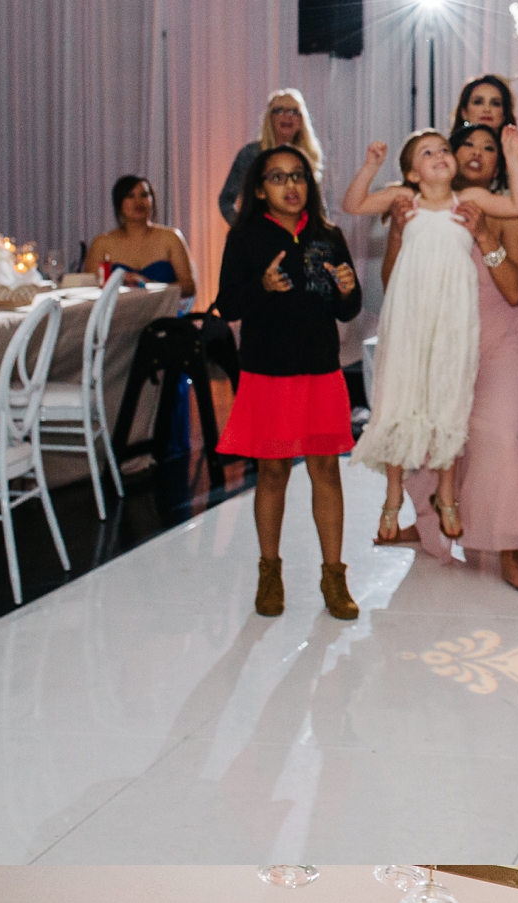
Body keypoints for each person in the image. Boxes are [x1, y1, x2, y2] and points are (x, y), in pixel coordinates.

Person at [343, 128, 518, 546]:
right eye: (428, 153)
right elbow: (352, 203)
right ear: (412, 172)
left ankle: (447, 494)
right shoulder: (401, 201)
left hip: (452, 318)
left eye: (444, 149)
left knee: (450, 398)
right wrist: (371, 166)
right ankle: (392, 496)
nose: (441, 155)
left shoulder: (471, 201)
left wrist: (514, 156)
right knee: (399, 397)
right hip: (409, 318)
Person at [215, 142, 363, 623]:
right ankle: (270, 570)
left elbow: (348, 309)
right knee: (273, 474)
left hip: (321, 371)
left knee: (327, 472)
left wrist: (347, 289)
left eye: (297, 176)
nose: (291, 185)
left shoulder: (329, 234)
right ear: (260, 189)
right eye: (277, 177)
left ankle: (334, 576)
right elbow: (228, 305)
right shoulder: (245, 238)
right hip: (267, 374)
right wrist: (261, 287)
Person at [451, 74, 518, 315]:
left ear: (505, 113)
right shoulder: (449, 156)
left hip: (504, 273)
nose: (486, 108)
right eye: (478, 101)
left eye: (495, 103)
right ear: (464, 111)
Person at [219, 88, 324, 229]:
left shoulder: (308, 155)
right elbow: (226, 200)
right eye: (279, 111)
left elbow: (317, 205)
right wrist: (244, 229)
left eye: (293, 111)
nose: (287, 116)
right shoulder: (251, 154)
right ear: (270, 118)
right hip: (260, 237)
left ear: (301, 120)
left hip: (300, 236)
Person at [84, 174, 197, 296]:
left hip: (164, 312)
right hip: (119, 313)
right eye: (130, 196)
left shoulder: (171, 237)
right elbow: (91, 287)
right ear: (119, 203)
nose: (138, 202)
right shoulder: (102, 243)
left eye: (144, 195)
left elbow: (189, 287)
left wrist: (151, 286)